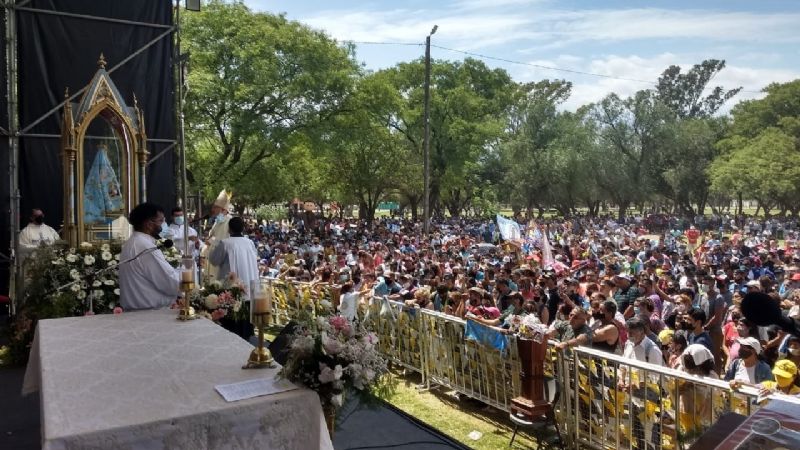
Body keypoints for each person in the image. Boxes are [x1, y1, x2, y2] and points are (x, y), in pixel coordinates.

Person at [119, 202, 180, 310]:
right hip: (151, 314)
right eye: (161, 221)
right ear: (148, 223)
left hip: (139, 313)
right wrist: (188, 278)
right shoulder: (145, 247)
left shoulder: (133, 242)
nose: (163, 225)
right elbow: (170, 282)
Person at [209, 217, 259, 298]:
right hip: (248, 282)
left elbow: (214, 260)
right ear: (243, 228)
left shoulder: (225, 243)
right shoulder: (250, 243)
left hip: (229, 286)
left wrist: (212, 245)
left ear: (229, 229)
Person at [202, 189, 233, 279]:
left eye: (216, 207)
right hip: (211, 257)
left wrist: (210, 240)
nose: (213, 209)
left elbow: (222, 242)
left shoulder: (228, 221)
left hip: (220, 260)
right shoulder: (218, 221)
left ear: (223, 209)